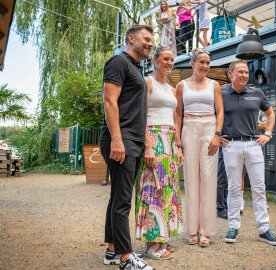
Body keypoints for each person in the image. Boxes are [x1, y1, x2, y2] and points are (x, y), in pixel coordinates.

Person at [100, 25, 155, 270]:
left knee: (117, 199)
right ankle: (126, 258)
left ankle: (112, 251)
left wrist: (144, 141)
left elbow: (138, 110)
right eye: (146, 39)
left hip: (131, 139)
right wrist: (118, 140)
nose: (150, 43)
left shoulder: (135, 67)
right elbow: (109, 101)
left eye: (152, 40)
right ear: (131, 38)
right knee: (123, 201)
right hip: (121, 139)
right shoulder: (118, 62)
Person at [221, 60, 276, 246]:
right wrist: (216, 136)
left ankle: (264, 229)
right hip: (231, 145)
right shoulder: (221, 94)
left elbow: (271, 113)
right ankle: (233, 227)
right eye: (240, 72)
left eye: (246, 72)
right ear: (231, 74)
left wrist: (268, 134)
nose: (244, 75)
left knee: (259, 188)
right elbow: (212, 115)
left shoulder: (257, 92)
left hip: (253, 144)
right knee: (233, 187)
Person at [135, 47, 184, 260]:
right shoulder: (147, 83)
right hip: (154, 138)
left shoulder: (172, 89)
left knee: (168, 190)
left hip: (170, 140)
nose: (169, 62)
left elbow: (176, 119)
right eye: (165, 58)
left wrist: (178, 146)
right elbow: (141, 114)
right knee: (151, 188)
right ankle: (150, 245)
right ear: (155, 61)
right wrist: (147, 144)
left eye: (172, 59)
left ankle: (162, 236)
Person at [175, 48, 224, 247]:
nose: (205, 66)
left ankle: (206, 231)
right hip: (189, 128)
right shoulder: (181, 85)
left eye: (208, 62)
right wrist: (178, 141)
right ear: (192, 63)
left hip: (210, 128)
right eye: (201, 62)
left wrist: (217, 135)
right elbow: (177, 114)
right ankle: (192, 230)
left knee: (209, 179)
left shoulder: (215, 85)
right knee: (191, 180)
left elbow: (220, 111)